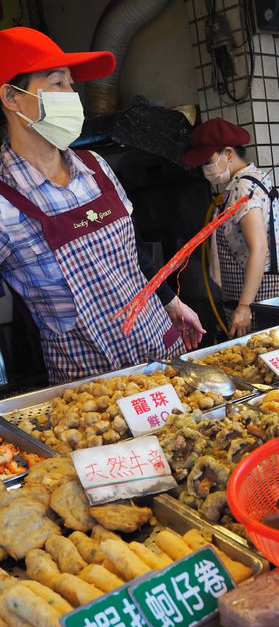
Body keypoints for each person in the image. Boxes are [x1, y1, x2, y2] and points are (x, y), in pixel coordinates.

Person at [0, 27, 206, 385]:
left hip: (161, 355)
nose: (72, 96)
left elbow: (132, 254)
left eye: (71, 85)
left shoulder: (96, 166)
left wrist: (172, 302)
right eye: (57, 83)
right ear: (11, 97)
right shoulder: (5, 200)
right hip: (93, 390)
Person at [181, 118, 279, 337]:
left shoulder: (243, 187)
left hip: (263, 296)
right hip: (266, 292)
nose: (205, 169)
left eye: (208, 161)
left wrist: (244, 306)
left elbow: (260, 248)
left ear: (228, 153)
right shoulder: (255, 177)